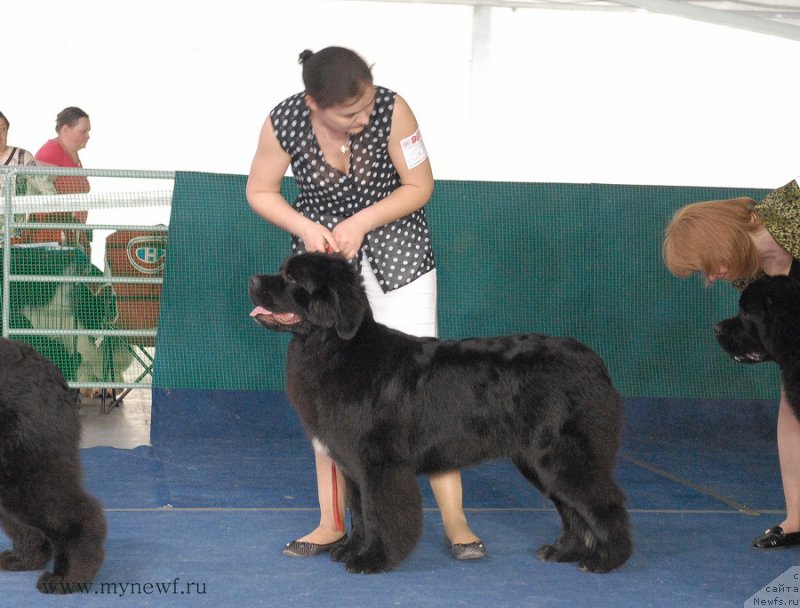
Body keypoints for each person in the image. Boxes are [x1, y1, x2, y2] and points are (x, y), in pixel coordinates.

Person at [246, 46, 486, 561]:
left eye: (366, 105)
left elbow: (419, 185)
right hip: (323, 275)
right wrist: (304, 227)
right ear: (314, 102)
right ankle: (332, 522)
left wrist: (361, 221)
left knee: (427, 392)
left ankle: (457, 523)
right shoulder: (283, 121)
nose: (362, 117)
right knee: (324, 394)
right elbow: (261, 190)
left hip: (401, 263)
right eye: (349, 113)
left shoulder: (394, 109)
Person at [663, 177, 800, 549]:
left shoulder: (794, 214)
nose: (711, 277)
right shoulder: (748, 271)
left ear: (721, 240)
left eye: (708, 266)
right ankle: (797, 519)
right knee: (793, 400)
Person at [32, 107, 92, 253]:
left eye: (88, 131)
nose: (88, 136)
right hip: (53, 241)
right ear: (65, 129)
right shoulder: (51, 151)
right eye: (83, 131)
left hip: (72, 236)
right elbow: (39, 190)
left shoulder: (73, 156)